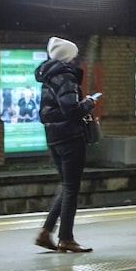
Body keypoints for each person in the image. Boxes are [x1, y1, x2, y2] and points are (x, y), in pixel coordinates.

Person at [33, 36, 97, 253]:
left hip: (54, 137)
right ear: (69, 57)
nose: (77, 59)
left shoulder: (49, 77)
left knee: (67, 186)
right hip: (70, 137)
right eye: (75, 55)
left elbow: (48, 112)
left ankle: (45, 233)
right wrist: (88, 103)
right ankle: (66, 238)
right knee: (71, 188)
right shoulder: (65, 76)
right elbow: (71, 109)